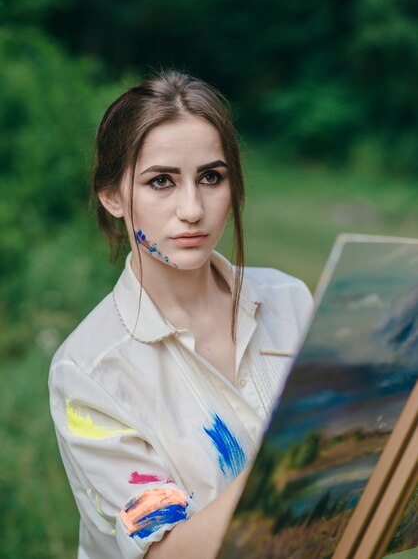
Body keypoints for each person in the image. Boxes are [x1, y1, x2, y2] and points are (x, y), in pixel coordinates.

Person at [49, 70, 313, 559]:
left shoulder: (291, 300)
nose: (192, 209)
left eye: (211, 177)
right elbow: (166, 552)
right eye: (161, 182)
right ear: (112, 197)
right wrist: (304, 456)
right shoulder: (89, 371)